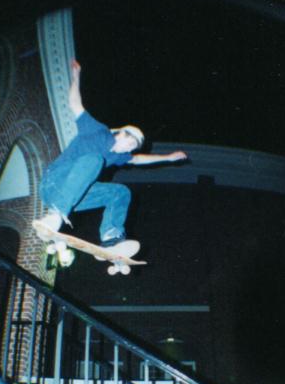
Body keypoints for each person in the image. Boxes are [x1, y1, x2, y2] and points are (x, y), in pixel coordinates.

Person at [39, 60, 188, 246]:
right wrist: (76, 76)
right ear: (121, 134)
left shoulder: (119, 156)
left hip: (74, 197)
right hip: (53, 183)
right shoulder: (97, 131)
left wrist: (168, 158)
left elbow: (138, 159)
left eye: (133, 147)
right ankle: (56, 214)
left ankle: (111, 236)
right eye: (130, 143)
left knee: (120, 192)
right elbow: (75, 105)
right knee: (95, 160)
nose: (130, 149)